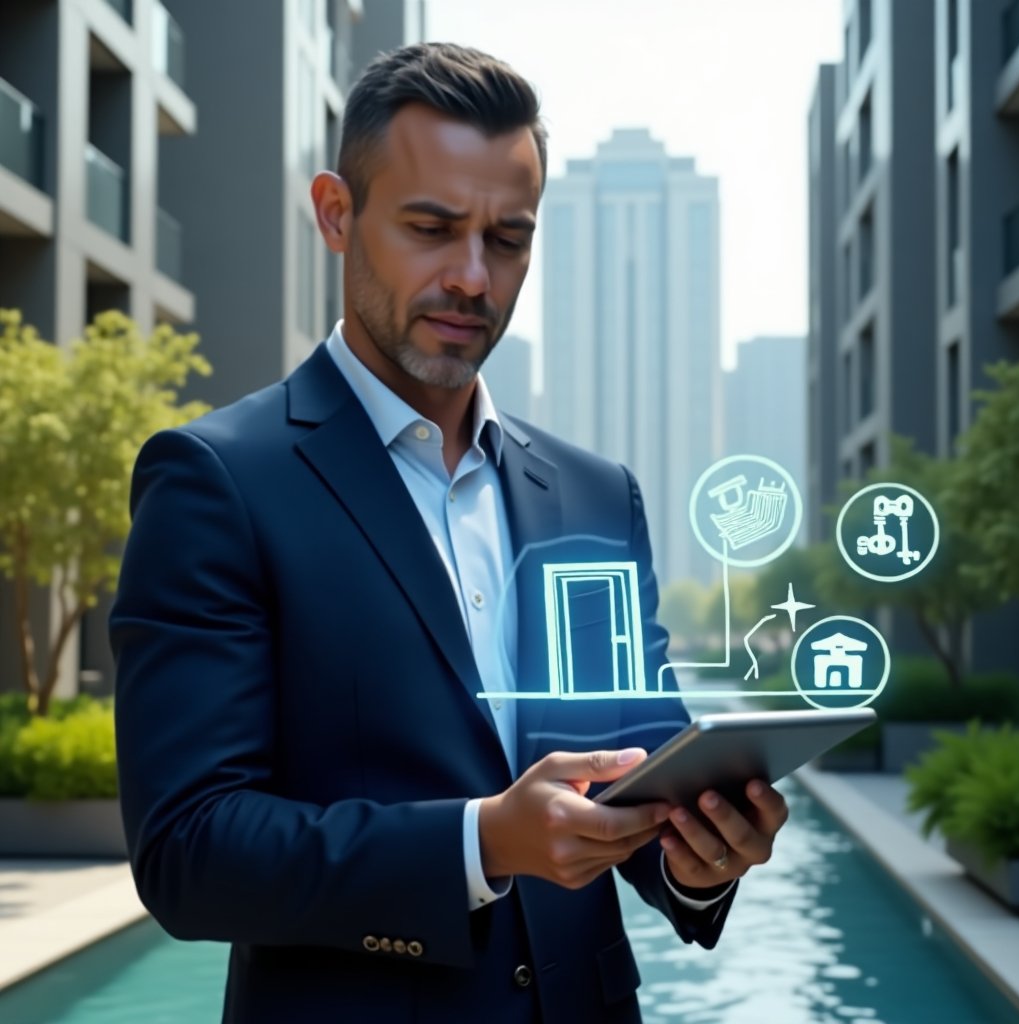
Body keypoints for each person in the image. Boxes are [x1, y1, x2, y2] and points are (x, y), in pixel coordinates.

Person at [111, 42, 788, 1024]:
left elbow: (640, 782)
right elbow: (189, 850)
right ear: (336, 214)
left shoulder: (598, 499)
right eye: (432, 228)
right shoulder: (218, 481)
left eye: (507, 239)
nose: (473, 276)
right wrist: (480, 843)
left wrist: (701, 854)